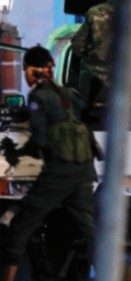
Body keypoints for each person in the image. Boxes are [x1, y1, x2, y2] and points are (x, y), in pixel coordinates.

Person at [1, 45, 97, 281]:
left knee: (20, 227)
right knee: (92, 231)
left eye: (26, 69)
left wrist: (18, 153)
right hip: (84, 169)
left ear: (33, 71)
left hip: (60, 172)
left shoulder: (36, 97)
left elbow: (41, 139)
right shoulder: (66, 93)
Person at [72, 0, 131, 106]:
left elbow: (78, 47)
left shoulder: (95, 13)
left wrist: (94, 58)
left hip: (93, 86)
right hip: (126, 84)